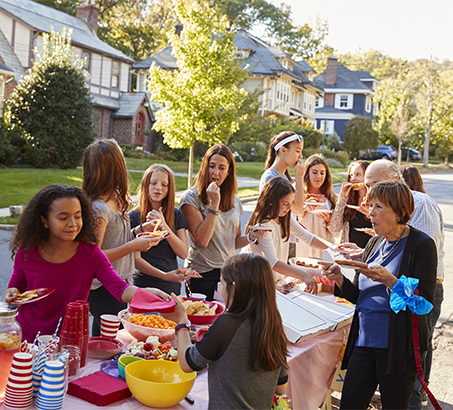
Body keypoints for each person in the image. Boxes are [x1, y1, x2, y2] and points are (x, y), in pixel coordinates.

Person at [321, 181, 437, 409]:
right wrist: (339, 279)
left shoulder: (421, 245)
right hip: (363, 343)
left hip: (397, 348)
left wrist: (390, 281)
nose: (370, 213)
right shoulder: (374, 243)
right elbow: (358, 295)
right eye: (370, 205)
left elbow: (423, 303)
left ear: (399, 211)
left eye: (378, 207)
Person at [5, 185, 170, 342]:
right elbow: (15, 287)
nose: (72, 223)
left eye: (78, 216)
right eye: (63, 218)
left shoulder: (91, 254)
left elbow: (119, 288)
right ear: (44, 221)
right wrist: (12, 293)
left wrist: (147, 293)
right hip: (28, 337)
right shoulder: (27, 252)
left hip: (71, 340)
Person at [363, 160, 445, 409]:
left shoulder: (420, 204)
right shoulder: (382, 235)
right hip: (394, 299)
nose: (369, 194)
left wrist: (391, 278)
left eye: (376, 185)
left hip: (419, 291)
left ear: (396, 180)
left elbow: (422, 254)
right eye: (367, 186)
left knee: (412, 367)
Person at [82, 139, 183, 335]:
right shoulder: (99, 208)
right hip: (105, 288)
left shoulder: (116, 200)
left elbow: (115, 238)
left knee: (119, 337)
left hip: (122, 283)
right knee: (108, 338)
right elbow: (92, 257)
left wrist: (137, 231)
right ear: (115, 168)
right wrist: (133, 245)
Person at [170, 253, 288, 409]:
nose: (221, 290)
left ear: (235, 287)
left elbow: (187, 364)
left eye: (222, 284)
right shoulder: (273, 323)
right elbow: (280, 388)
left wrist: (181, 323)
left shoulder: (227, 324)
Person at [180, 144, 263, 301]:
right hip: (200, 273)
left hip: (228, 272)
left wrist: (252, 236)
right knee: (203, 320)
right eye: (211, 166)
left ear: (229, 171)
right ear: (205, 167)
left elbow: (233, 242)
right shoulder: (190, 199)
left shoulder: (235, 201)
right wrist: (214, 204)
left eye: (222, 168)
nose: (215, 172)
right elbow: (202, 240)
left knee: (226, 321)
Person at [244, 177, 333, 293]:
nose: (289, 207)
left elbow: (308, 238)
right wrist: (304, 275)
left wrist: (335, 250)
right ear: (271, 202)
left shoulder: (285, 218)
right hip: (255, 282)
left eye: (291, 203)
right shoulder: (263, 226)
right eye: (285, 203)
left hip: (275, 281)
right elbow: (273, 262)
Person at [129, 164, 188, 295]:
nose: (158, 188)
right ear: (146, 185)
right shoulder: (133, 216)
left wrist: (164, 225)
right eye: (153, 183)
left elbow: (183, 253)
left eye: (164, 185)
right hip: (144, 284)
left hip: (171, 285)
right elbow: (136, 260)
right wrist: (164, 275)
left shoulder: (176, 215)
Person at [297, 154, 338, 258]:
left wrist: (329, 222)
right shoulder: (298, 194)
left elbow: (337, 233)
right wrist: (305, 208)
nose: (318, 177)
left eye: (322, 173)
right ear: (307, 173)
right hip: (302, 251)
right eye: (314, 172)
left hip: (324, 252)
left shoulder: (331, 199)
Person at [329, 160, 373, 248]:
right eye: (351, 175)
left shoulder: (377, 200)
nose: (353, 179)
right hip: (349, 252)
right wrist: (342, 197)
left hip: (370, 251)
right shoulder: (348, 200)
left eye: (358, 175)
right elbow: (335, 227)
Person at [260, 131, 305, 214]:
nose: (301, 156)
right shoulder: (271, 177)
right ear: (283, 150)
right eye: (297, 151)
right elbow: (297, 209)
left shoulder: (284, 177)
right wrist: (299, 177)